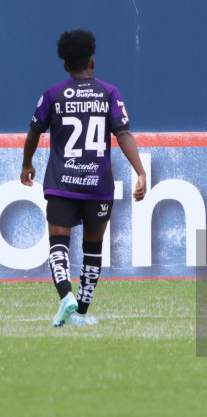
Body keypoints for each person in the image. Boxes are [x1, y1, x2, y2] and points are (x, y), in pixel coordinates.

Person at [20, 29, 147, 328]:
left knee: (58, 243)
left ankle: (66, 296)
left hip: (62, 185)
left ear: (65, 65)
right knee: (93, 249)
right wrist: (140, 171)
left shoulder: (52, 94)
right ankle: (81, 313)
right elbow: (123, 133)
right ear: (92, 61)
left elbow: (34, 132)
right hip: (98, 186)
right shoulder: (109, 93)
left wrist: (27, 164)